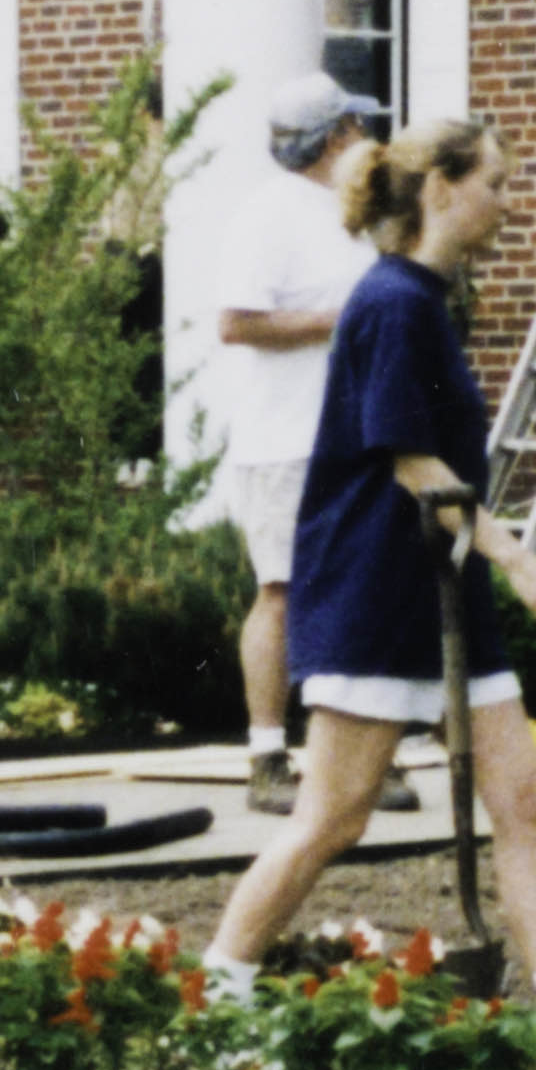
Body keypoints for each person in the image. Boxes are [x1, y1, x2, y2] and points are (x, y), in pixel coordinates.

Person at [205, 117, 536, 1017]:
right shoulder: (390, 303)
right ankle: (217, 988)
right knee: (334, 817)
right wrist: (519, 560)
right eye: (497, 184)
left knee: (522, 797)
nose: (508, 202)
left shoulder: (426, 298)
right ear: (439, 188)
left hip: (446, 588)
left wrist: (485, 566)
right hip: (376, 590)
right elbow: (413, 465)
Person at [201, 68, 382, 809]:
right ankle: (268, 758)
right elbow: (236, 321)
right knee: (280, 591)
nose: (369, 139)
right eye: (358, 128)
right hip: (284, 442)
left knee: (359, 591)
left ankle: (359, 758)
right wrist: (341, 318)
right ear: (334, 136)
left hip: (352, 436)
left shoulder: (355, 213)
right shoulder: (267, 215)